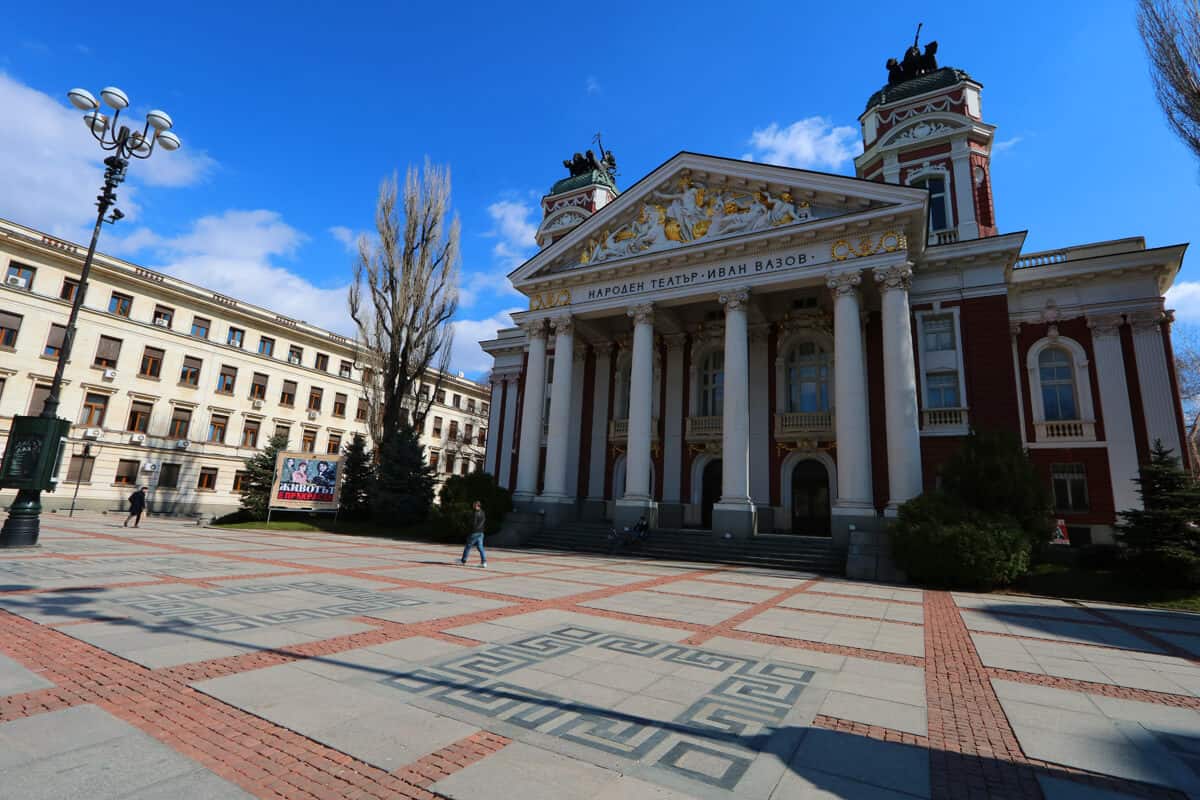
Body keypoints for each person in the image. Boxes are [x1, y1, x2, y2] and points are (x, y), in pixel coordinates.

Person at [459, 500, 487, 568]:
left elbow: (473, 524)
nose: (473, 506)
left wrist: (470, 530)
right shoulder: (483, 512)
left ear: (477, 505)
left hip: (474, 532)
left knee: (468, 546)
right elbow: (483, 522)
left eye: (474, 505)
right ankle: (484, 562)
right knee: (480, 547)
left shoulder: (475, 513)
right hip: (481, 532)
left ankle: (463, 561)